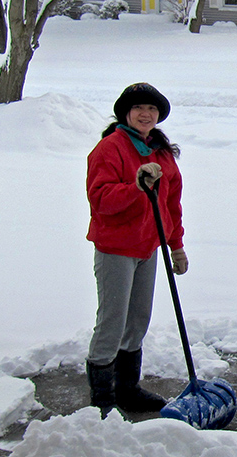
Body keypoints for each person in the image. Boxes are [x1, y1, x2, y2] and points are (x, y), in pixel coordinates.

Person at [85, 82, 189, 416]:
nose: (146, 114)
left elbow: (171, 204)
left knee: (138, 320)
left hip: (148, 246)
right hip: (116, 247)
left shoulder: (160, 150)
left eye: (152, 110)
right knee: (113, 321)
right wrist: (135, 186)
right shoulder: (110, 148)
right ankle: (102, 398)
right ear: (126, 113)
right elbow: (100, 200)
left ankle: (127, 389)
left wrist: (176, 246)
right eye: (139, 108)